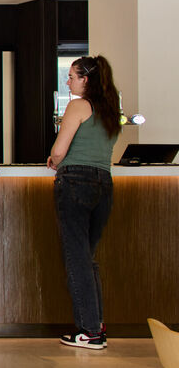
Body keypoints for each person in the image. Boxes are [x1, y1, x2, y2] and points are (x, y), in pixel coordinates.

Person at [48, 55, 121, 350]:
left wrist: (54, 159)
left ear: (85, 80)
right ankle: (96, 325)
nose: (68, 81)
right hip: (104, 184)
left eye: (72, 76)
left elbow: (60, 148)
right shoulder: (109, 111)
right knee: (87, 258)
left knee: (76, 258)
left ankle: (89, 331)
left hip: (75, 181)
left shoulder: (78, 106)